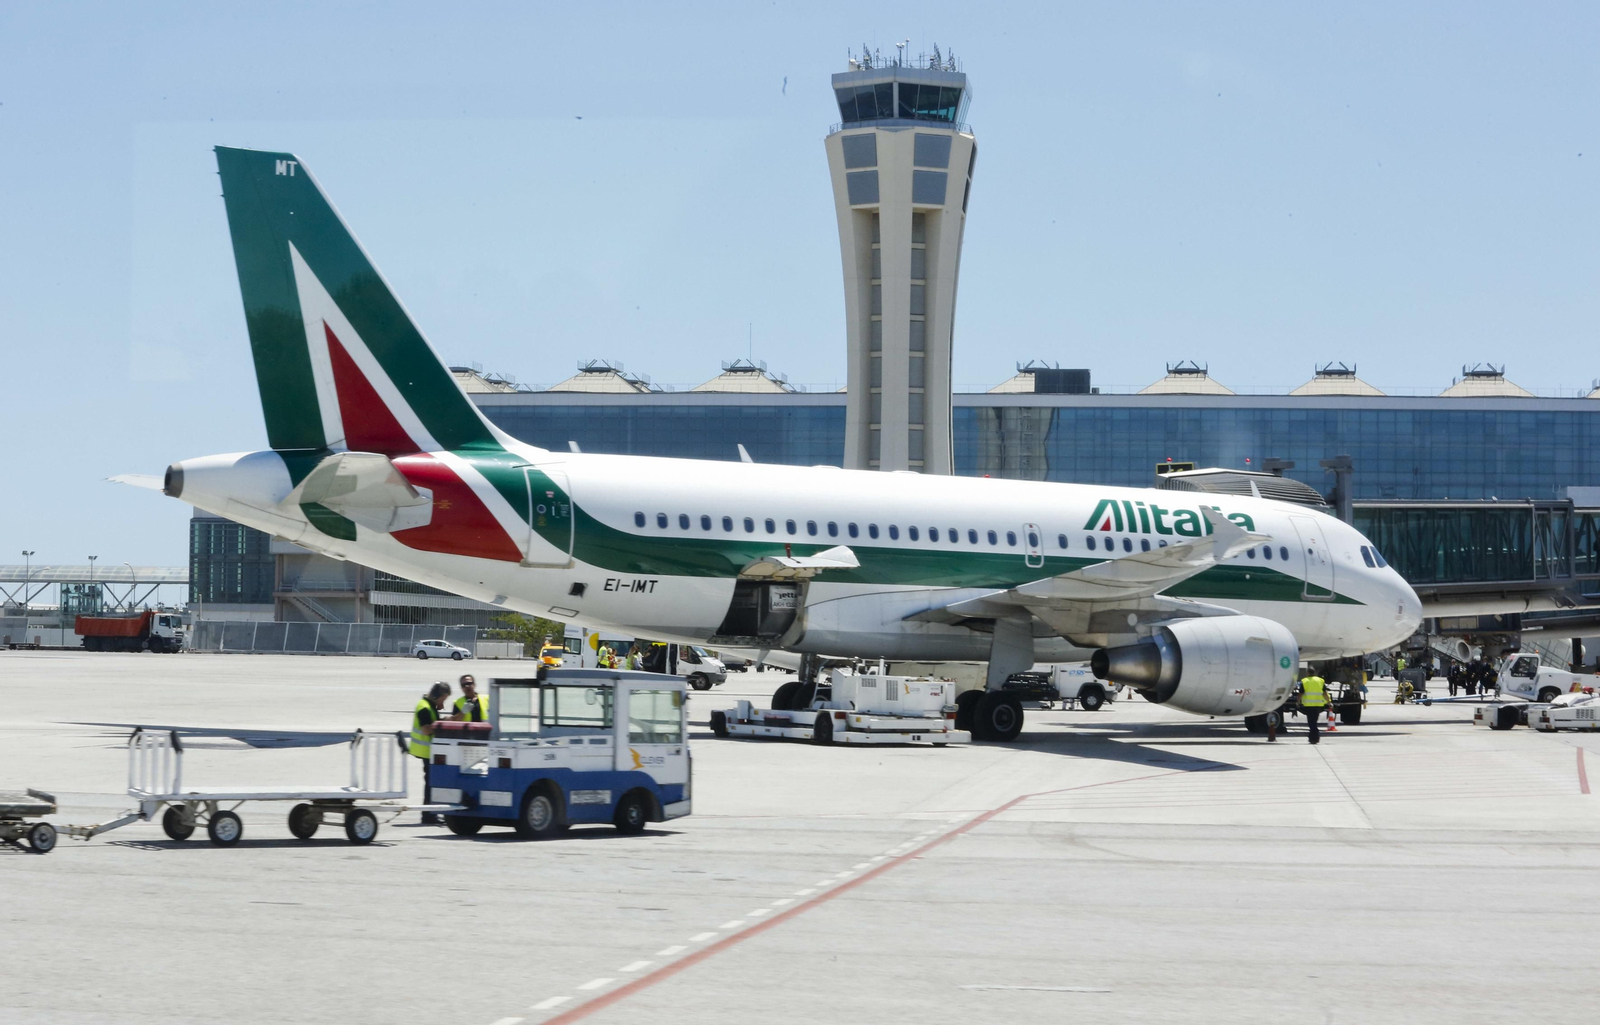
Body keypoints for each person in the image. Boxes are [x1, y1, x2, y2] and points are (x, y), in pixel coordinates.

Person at [410, 681, 451, 824]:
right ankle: (428, 815)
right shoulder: (424, 707)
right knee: (430, 783)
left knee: (430, 783)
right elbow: (426, 729)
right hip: (426, 750)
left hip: (429, 751)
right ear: (437, 696)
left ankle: (429, 813)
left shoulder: (430, 706)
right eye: (443, 699)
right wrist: (441, 725)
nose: (443, 703)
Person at [1300, 675, 1328, 745]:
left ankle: (1314, 738)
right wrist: (1329, 702)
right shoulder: (1321, 681)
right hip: (1318, 705)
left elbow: (1301, 693)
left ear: (1308, 673)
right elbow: (1325, 693)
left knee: (1311, 723)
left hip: (1309, 705)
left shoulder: (1304, 681)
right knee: (1314, 722)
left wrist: (1298, 702)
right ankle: (1314, 738)